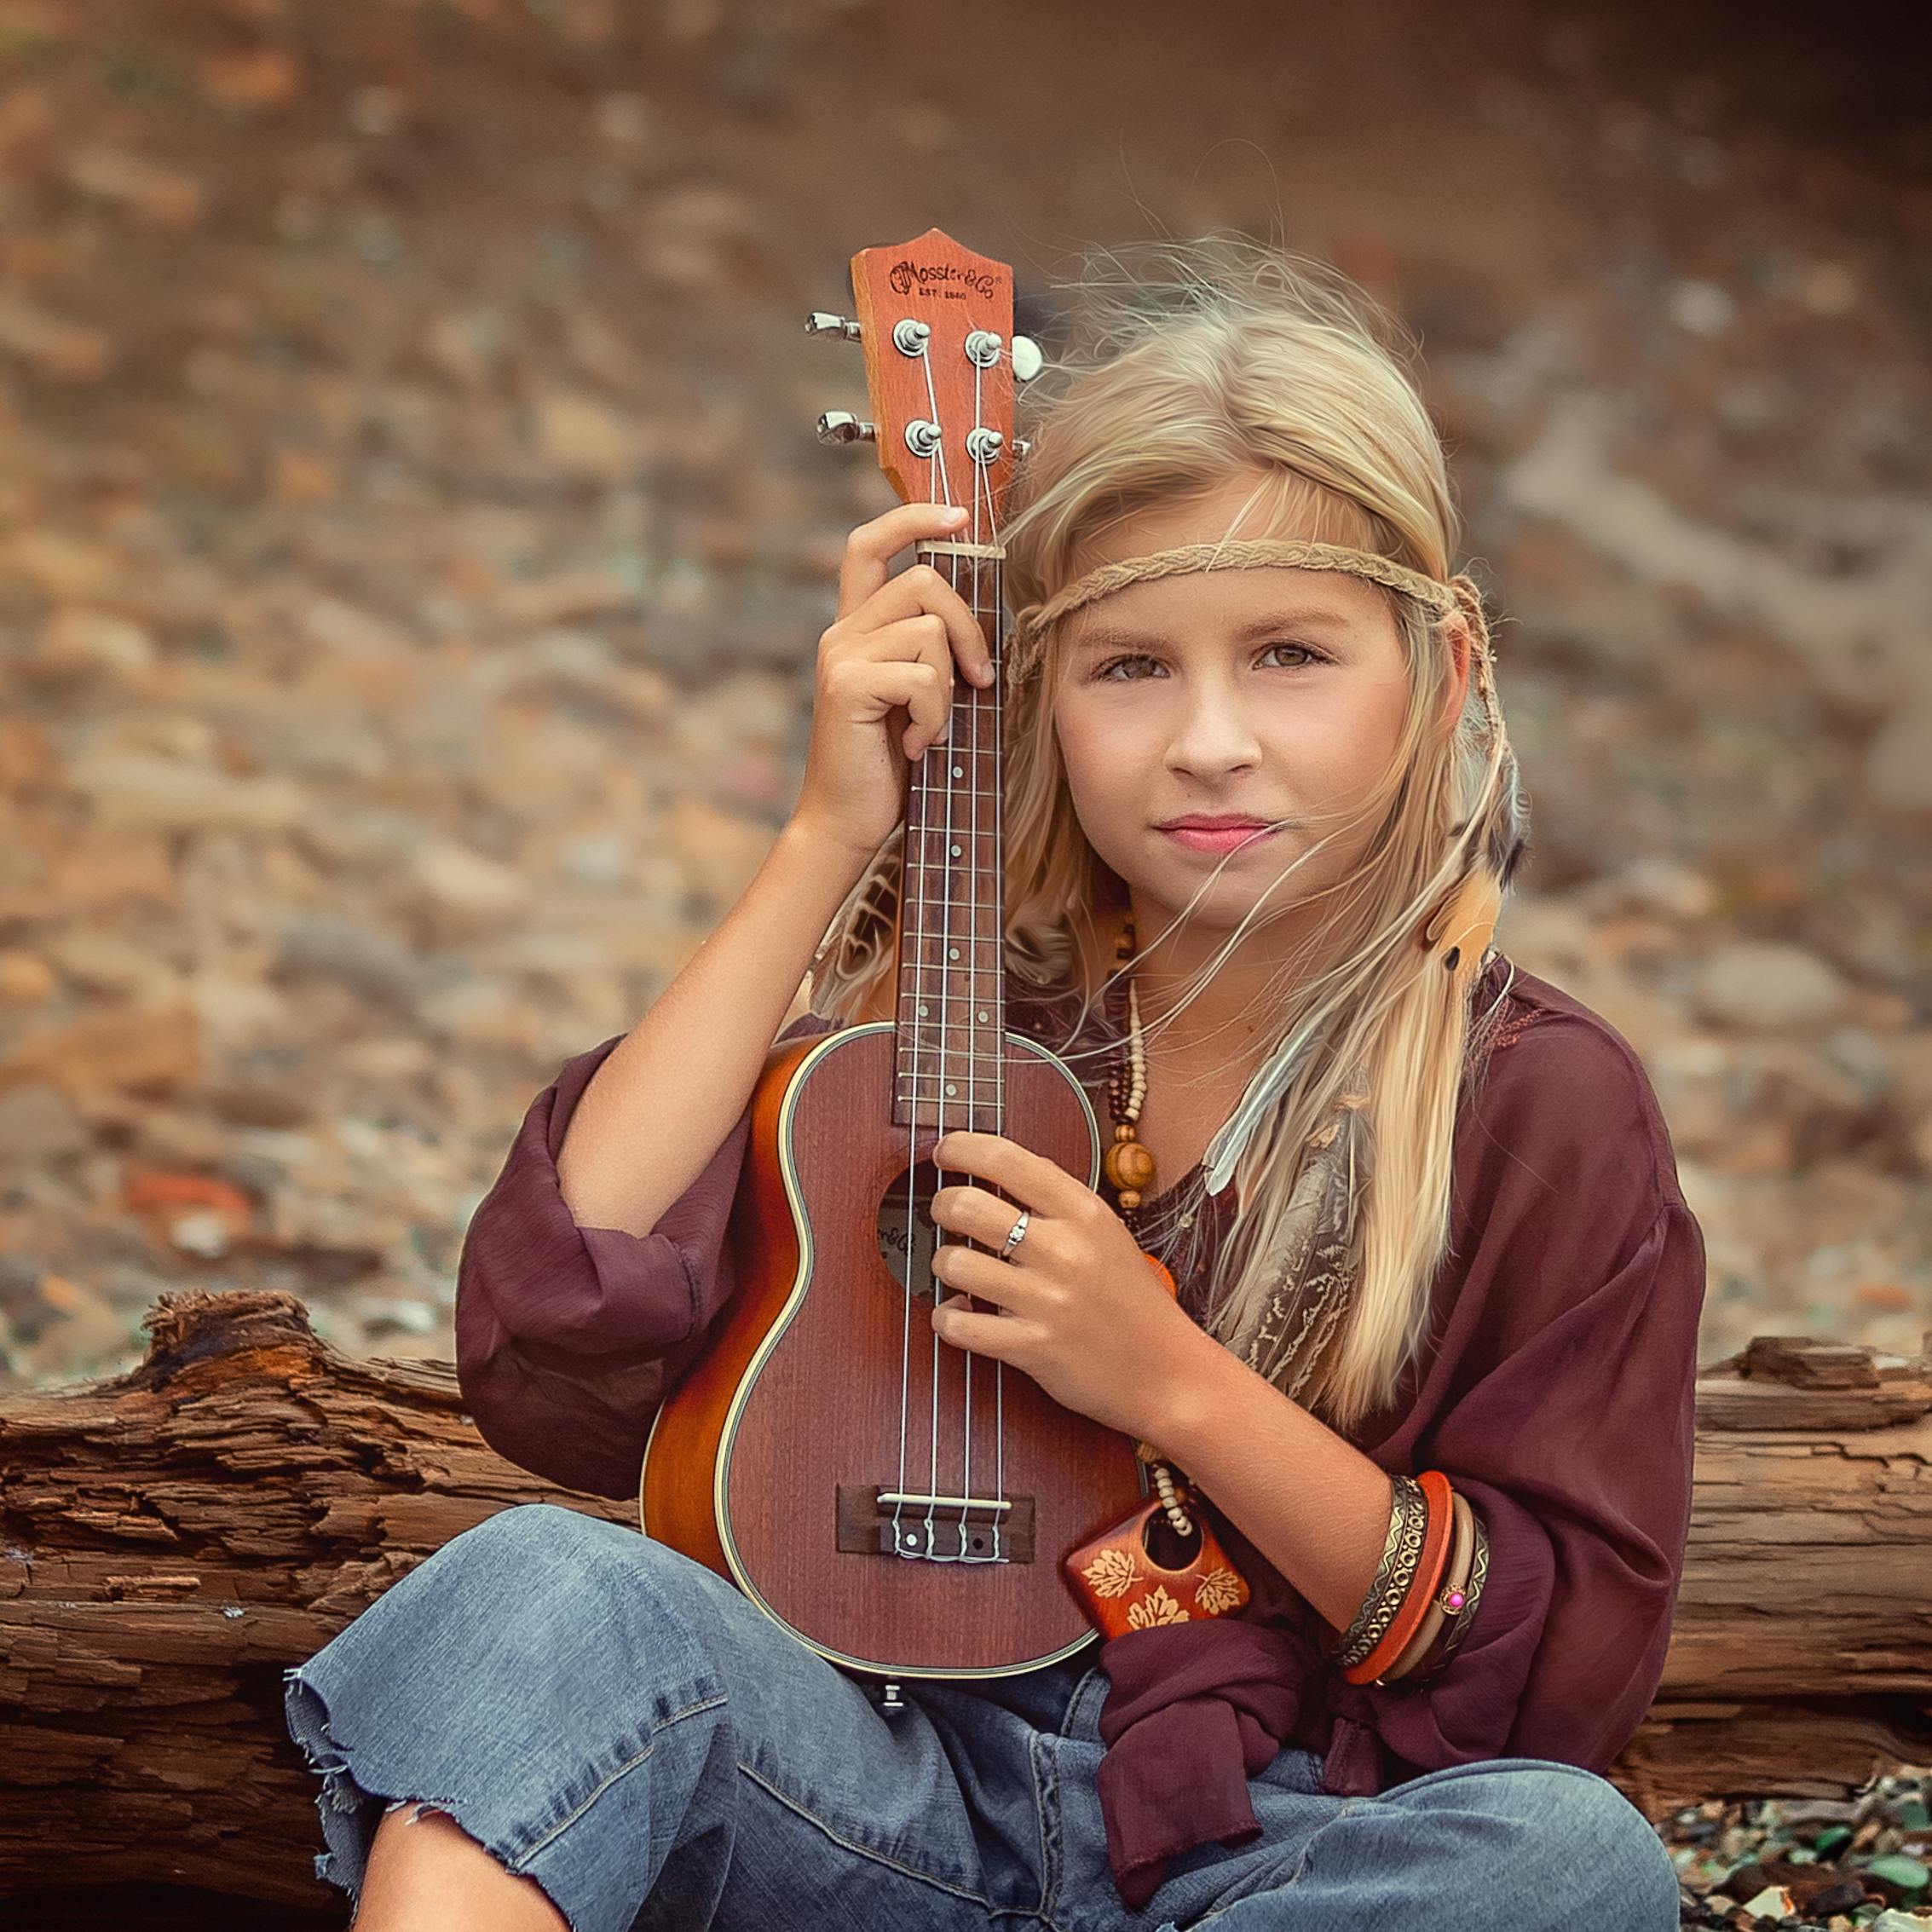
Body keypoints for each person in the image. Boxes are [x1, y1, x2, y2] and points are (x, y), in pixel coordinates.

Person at [285, 244, 1701, 1932]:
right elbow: (552, 1338)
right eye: (1132, 667)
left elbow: (1554, 1676)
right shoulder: (950, 1017)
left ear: (1444, 674)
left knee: (1566, 1863)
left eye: (1292, 656)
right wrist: (827, 838)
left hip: (1268, 1848)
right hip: (861, 1777)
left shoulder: (1538, 1101)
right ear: (1036, 687)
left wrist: (1166, 1378)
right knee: (540, 1592)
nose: (1211, 741)